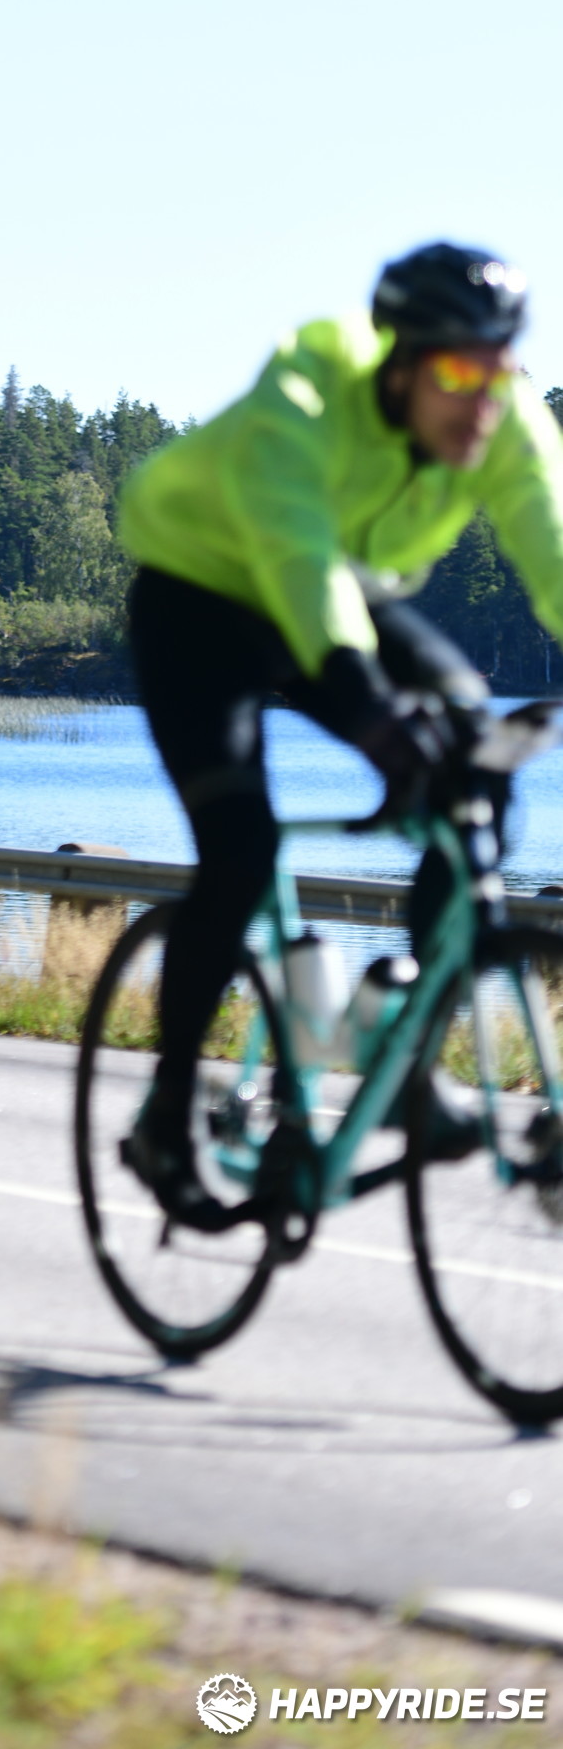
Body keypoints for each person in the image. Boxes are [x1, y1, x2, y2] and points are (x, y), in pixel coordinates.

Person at [118, 241, 563, 1228]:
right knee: (239, 851)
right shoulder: (312, 379)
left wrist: (407, 721)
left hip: (339, 594)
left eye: (498, 370)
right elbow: (295, 552)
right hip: (204, 595)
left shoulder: (504, 420)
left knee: (475, 756)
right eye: (457, 374)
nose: (482, 401)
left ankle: (401, 1060)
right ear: (399, 365)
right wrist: (367, 713)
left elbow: (555, 549)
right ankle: (165, 1114)